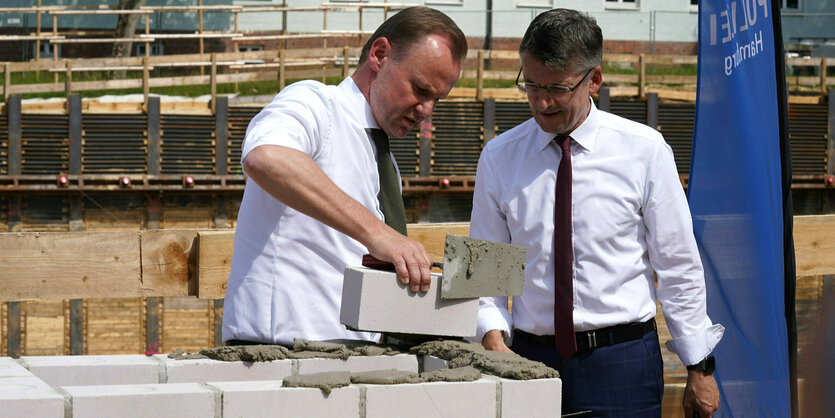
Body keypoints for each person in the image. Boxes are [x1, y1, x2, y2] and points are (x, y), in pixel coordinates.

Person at [470, 9, 724, 417]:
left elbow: (678, 265)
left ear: (594, 80)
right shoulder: (498, 158)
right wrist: (492, 339)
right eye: (530, 84)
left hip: (622, 364)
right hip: (527, 360)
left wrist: (699, 366)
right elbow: (484, 275)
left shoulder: (645, 150)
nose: (541, 101)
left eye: (557, 88)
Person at [222, 7, 468, 347]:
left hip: (348, 360)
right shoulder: (316, 104)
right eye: (420, 89)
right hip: (277, 356)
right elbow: (266, 156)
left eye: (436, 100)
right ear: (380, 55)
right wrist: (377, 233)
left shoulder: (384, 163)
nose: (427, 110)